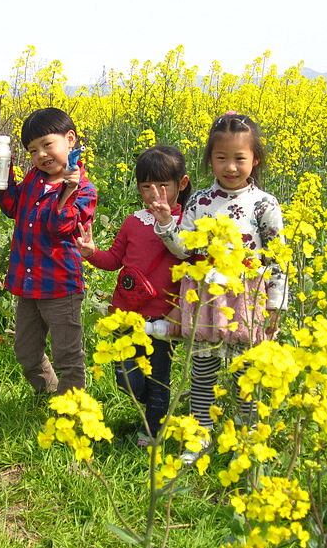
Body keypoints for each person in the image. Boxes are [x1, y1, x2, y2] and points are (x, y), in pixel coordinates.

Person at [149, 112, 288, 462]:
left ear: (254, 160)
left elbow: (277, 257)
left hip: (246, 296)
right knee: (202, 366)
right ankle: (201, 433)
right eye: (221, 158)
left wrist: (275, 305)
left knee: (245, 367)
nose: (230, 167)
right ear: (210, 158)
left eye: (239, 158)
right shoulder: (200, 201)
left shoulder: (265, 204)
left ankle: (249, 431)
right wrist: (167, 222)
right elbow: (185, 248)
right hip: (206, 297)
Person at [76, 146, 190, 447]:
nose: (155, 193)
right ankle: (153, 405)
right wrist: (91, 253)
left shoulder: (187, 225)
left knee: (158, 377)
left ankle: (151, 430)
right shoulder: (132, 222)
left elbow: (192, 273)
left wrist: (180, 310)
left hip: (162, 318)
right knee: (127, 378)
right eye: (146, 186)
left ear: (183, 183)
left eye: (164, 185)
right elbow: (114, 259)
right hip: (125, 314)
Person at [0, 107, 97, 398]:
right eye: (32, 150)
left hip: (61, 286)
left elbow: (60, 225)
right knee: (25, 351)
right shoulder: (35, 179)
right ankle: (50, 397)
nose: (41, 155)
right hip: (28, 284)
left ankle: (72, 413)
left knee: (68, 357)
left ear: (70, 139)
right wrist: (3, 172)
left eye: (47, 145)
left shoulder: (84, 190)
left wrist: (66, 191)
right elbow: (13, 207)